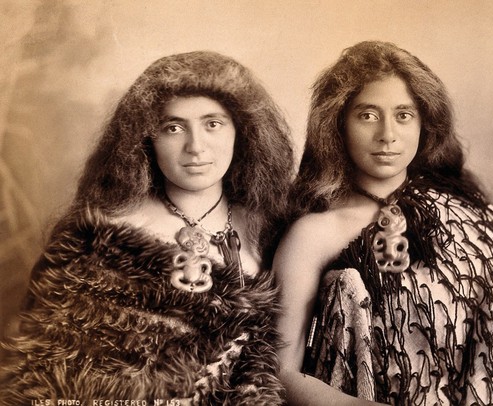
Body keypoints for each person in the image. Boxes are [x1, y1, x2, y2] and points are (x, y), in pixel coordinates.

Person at [274, 41, 493, 406]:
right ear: (337, 125)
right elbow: (281, 372)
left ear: (425, 123)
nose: (387, 135)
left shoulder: (467, 211)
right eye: (367, 115)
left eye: (403, 115)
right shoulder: (313, 234)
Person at [0, 51, 294, 404]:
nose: (195, 147)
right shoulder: (103, 237)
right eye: (173, 127)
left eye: (212, 123)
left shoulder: (274, 227)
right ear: (145, 140)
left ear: (242, 131)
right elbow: (51, 379)